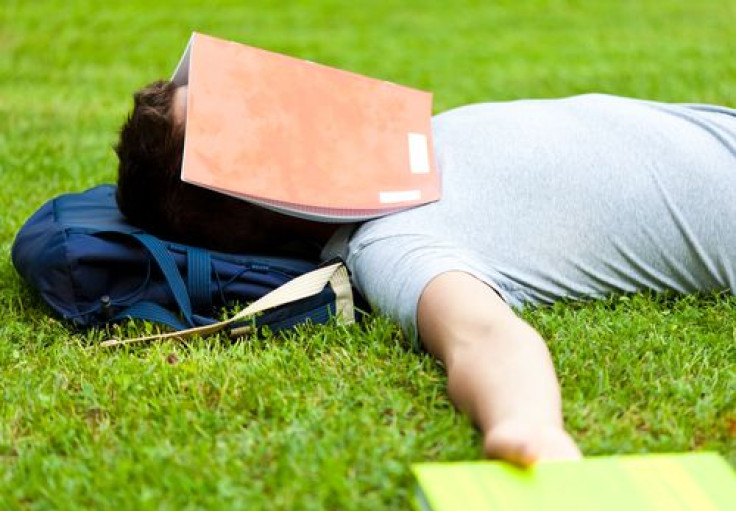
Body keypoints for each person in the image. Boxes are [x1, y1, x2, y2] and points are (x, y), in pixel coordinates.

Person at [116, 80, 736, 466]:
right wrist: (526, 426)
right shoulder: (389, 241)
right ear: (243, 212)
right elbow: (480, 337)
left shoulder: (404, 154)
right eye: (237, 126)